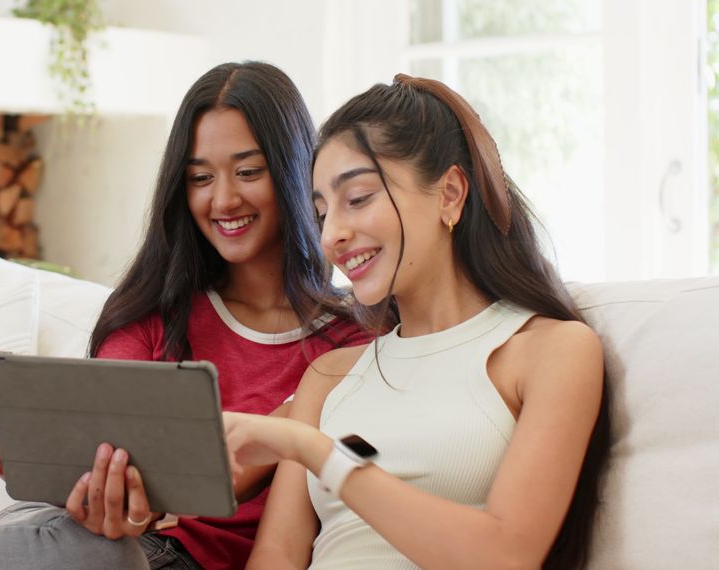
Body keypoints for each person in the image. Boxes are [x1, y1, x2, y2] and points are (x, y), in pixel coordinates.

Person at [0, 61, 371, 570]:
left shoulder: (351, 343)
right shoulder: (152, 309)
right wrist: (43, 450)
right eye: (200, 177)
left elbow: (258, 478)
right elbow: (100, 449)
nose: (222, 199)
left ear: (292, 171)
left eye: (247, 171)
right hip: (76, 536)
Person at [224, 74, 611, 569]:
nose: (332, 237)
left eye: (358, 198)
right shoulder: (330, 376)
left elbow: (505, 555)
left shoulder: (551, 351)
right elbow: (276, 556)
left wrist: (316, 451)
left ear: (449, 193)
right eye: (321, 214)